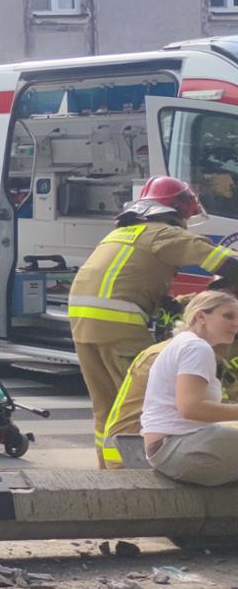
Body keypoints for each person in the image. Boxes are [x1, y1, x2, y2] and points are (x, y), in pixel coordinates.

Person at [70, 176, 238, 460]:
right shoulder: (163, 233)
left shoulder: (123, 233)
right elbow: (224, 262)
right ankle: (140, 476)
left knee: (108, 405)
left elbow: (133, 283)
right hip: (119, 326)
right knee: (144, 402)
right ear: (178, 211)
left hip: (82, 324)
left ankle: (106, 472)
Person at [98, 327, 238, 467]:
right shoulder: (187, 353)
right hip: (135, 454)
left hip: (158, 447)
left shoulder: (194, 349)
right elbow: (194, 409)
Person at [141, 289, 238, 485]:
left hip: (169, 448)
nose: (236, 324)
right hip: (179, 449)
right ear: (201, 316)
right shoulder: (197, 348)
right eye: (228, 316)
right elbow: (191, 407)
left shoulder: (184, 343)